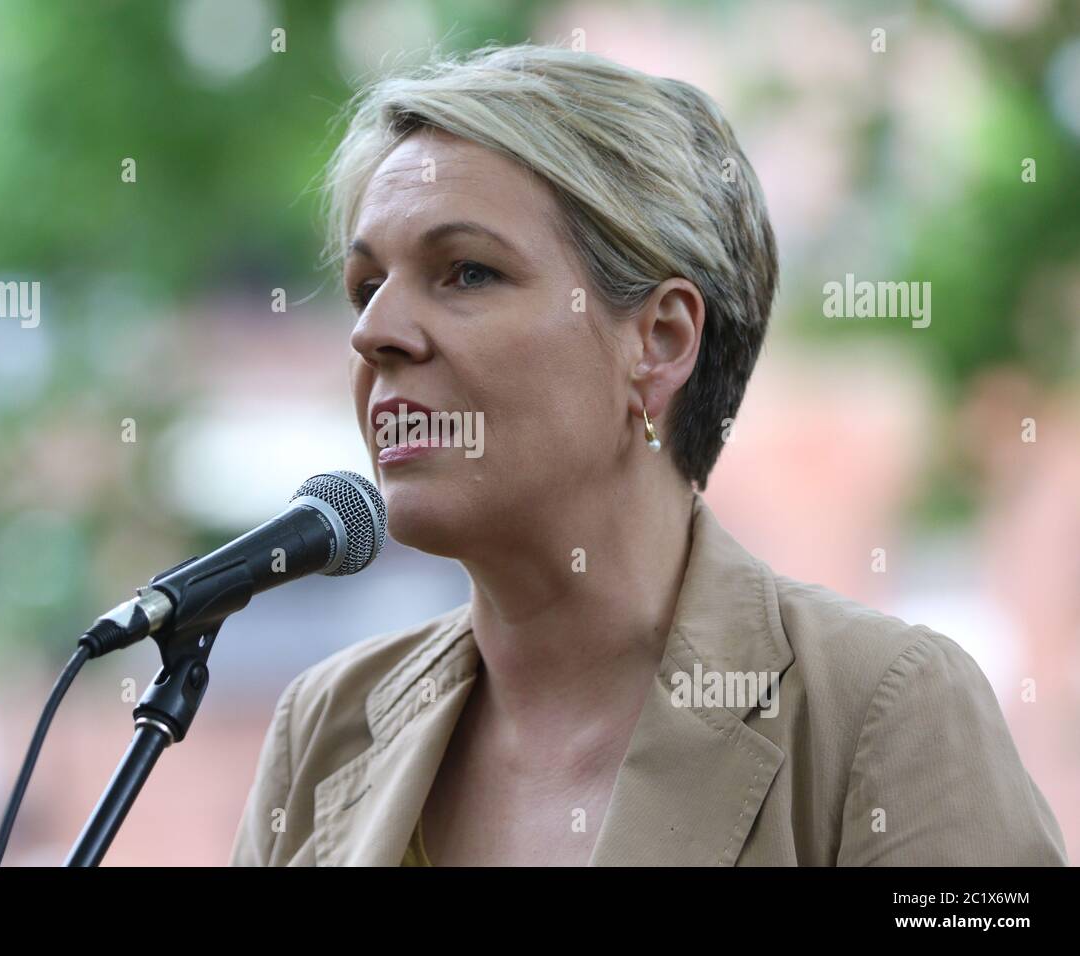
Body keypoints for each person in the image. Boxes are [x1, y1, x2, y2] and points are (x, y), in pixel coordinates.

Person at [229, 43, 1068, 866]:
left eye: (467, 272)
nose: (374, 332)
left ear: (661, 341)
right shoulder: (326, 728)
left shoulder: (883, 714)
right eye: (366, 286)